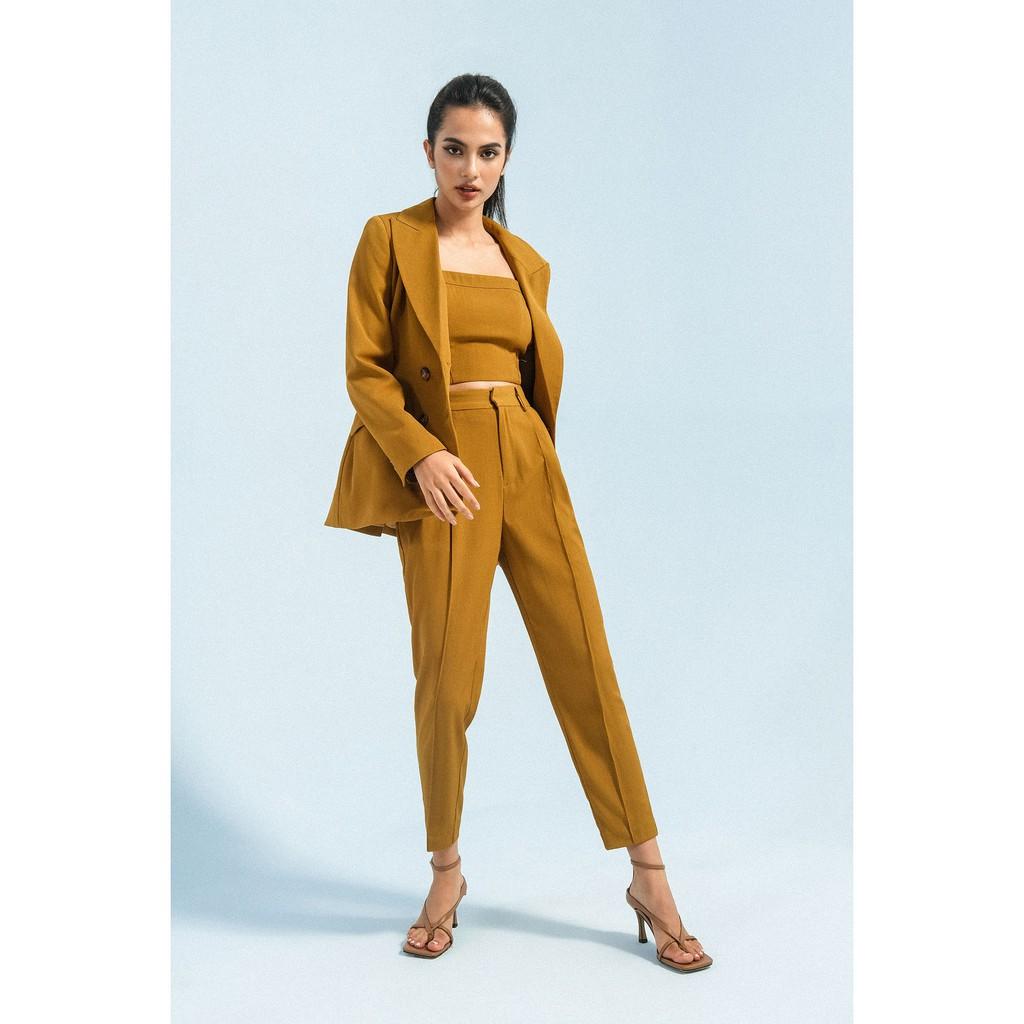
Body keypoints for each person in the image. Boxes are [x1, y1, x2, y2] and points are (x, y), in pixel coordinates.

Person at [324, 74, 712, 972]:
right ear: (428, 152)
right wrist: (422, 454)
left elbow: (535, 374)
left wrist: (527, 452)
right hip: (445, 470)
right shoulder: (389, 239)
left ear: (506, 160)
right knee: (448, 681)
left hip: (527, 457)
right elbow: (366, 368)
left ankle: (649, 874)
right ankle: (446, 872)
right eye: (454, 149)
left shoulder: (524, 259)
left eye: (488, 152)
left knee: (587, 662)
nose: (471, 168)